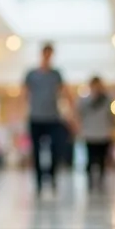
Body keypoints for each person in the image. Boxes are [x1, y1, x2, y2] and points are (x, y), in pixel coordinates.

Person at [24, 43, 70, 194]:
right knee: (36, 151)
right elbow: (24, 94)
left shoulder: (56, 74)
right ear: (42, 54)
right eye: (46, 53)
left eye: (50, 54)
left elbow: (64, 93)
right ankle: (38, 181)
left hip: (53, 118)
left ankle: (52, 177)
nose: (48, 56)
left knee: (55, 149)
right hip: (35, 118)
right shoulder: (31, 74)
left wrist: (72, 114)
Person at [77, 76, 113, 191]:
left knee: (102, 159)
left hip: (103, 134)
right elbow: (79, 115)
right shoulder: (84, 101)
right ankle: (90, 182)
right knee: (90, 159)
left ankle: (101, 181)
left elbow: (111, 117)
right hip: (90, 134)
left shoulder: (107, 100)